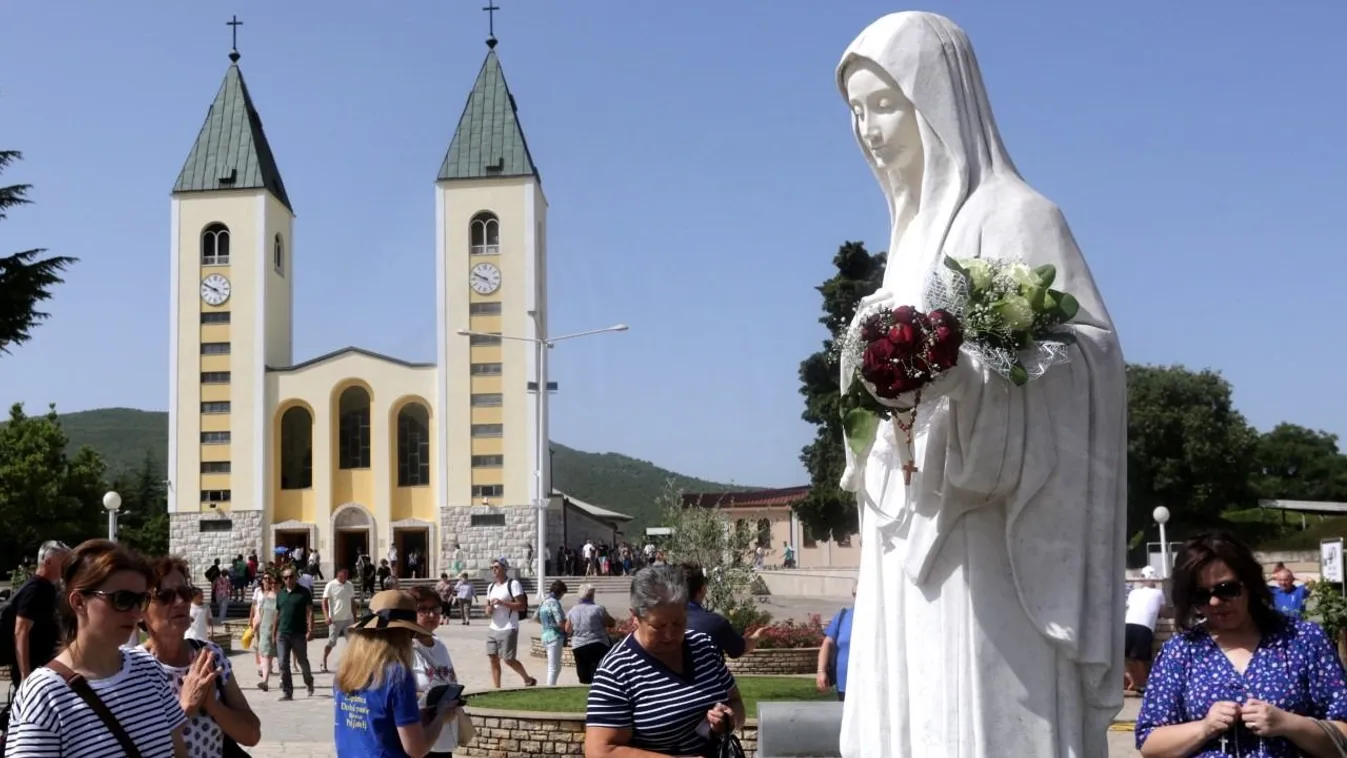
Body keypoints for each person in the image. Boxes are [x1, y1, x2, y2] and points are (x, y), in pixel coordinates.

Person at [834, 13, 1126, 757]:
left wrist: (974, 378)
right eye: (856, 110)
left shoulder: (1018, 217)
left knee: (977, 709)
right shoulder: (901, 246)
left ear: (935, 102)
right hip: (903, 530)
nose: (868, 128)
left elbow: (1089, 360)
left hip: (988, 532)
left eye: (885, 104)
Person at [1137, 532, 1347, 757]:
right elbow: (1150, 743)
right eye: (1200, 595)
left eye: (1226, 589)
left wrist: (1289, 724)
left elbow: (1342, 733)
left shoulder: (1304, 640)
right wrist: (1204, 728)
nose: (1215, 602)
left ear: (1249, 584)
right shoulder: (1180, 651)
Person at [4, 539, 189, 756]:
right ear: (78, 602)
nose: (135, 612)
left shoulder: (150, 669)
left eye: (141, 600)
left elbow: (178, 753)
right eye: (122, 599)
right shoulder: (44, 694)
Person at [585, 565, 746, 757]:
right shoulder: (616, 671)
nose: (670, 635)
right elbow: (601, 751)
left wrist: (729, 718)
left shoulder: (703, 646)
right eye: (658, 626)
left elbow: (736, 703)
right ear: (635, 617)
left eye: (678, 623)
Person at [139, 555, 262, 756]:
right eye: (165, 596)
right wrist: (186, 707)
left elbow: (252, 735)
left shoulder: (210, 655)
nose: (179, 602)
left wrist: (214, 706)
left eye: (184, 592)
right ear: (140, 608)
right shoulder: (132, 667)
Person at [333, 590, 454, 757]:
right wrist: (441, 717)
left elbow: (374, 718)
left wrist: (417, 715)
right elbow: (416, 749)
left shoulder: (345, 670)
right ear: (404, 633)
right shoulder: (397, 675)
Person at [7, 540, 68, 684]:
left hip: (46, 667)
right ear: (48, 562)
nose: (66, 566)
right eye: (63, 561)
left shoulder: (48, 588)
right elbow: (21, 631)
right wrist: (25, 675)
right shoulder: (35, 589)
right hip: (34, 671)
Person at [408, 586, 460, 757]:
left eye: (435, 609)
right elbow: (397, 694)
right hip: (421, 738)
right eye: (423, 609)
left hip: (444, 737)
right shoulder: (405, 650)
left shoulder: (440, 645)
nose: (431, 615)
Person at [682, 563, 764, 659]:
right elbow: (739, 649)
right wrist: (757, 636)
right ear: (702, 589)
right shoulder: (715, 623)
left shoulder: (662, 622)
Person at [484, 558, 536, 688]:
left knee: (508, 659)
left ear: (504, 569)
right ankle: (497, 688)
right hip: (493, 627)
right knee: (493, 658)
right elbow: (487, 607)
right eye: (492, 568)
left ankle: (527, 679)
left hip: (509, 627)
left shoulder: (513, 584)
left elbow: (522, 606)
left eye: (496, 567)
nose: (494, 570)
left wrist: (503, 603)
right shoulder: (490, 587)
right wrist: (488, 610)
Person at [563, 583, 616, 685]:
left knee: (583, 676)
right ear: (592, 595)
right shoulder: (599, 609)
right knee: (599, 674)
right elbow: (610, 622)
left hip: (579, 645)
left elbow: (568, 629)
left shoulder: (573, 610)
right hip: (598, 643)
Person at [1123, 566, 1166, 693]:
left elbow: (1129, 607)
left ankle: (1129, 680)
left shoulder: (1133, 592)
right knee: (1140, 658)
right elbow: (1163, 611)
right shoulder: (1158, 593)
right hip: (1145, 626)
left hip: (1128, 623)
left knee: (1124, 656)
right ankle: (1143, 685)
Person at [275, 567, 315, 700]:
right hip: (282, 633)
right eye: (285, 578)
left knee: (302, 661)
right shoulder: (281, 594)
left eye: (291, 577)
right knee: (282, 663)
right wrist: (273, 632)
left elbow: (309, 612)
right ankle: (287, 692)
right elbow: (278, 614)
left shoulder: (304, 592)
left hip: (298, 633)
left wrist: (310, 630)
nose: (288, 580)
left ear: (295, 577)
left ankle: (309, 681)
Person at [817, 587, 856, 702]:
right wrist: (821, 671)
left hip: (872, 684)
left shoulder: (879, 617)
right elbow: (827, 643)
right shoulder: (843, 616)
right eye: (856, 593)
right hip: (844, 684)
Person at [322, 568, 358, 673]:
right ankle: (323, 661)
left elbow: (352, 601)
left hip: (348, 618)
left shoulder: (349, 585)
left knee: (352, 642)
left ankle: (352, 664)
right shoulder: (330, 585)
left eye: (347, 574)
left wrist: (355, 618)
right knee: (331, 642)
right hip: (335, 619)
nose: (346, 576)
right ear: (338, 574)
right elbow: (324, 601)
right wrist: (326, 616)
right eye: (344, 574)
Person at [535, 580, 567, 686]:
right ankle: (550, 687)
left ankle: (551, 685)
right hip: (555, 636)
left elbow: (535, 617)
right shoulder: (554, 602)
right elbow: (560, 621)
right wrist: (568, 630)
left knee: (556, 667)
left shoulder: (544, 601)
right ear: (560, 592)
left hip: (545, 635)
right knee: (553, 667)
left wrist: (546, 624)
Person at [250, 573, 279, 690]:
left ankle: (283, 680)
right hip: (265, 630)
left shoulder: (282, 597)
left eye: (274, 582)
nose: (272, 584)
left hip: (279, 631)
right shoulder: (265, 596)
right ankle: (265, 682)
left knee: (281, 657)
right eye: (270, 582)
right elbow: (259, 613)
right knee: (266, 656)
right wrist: (254, 627)